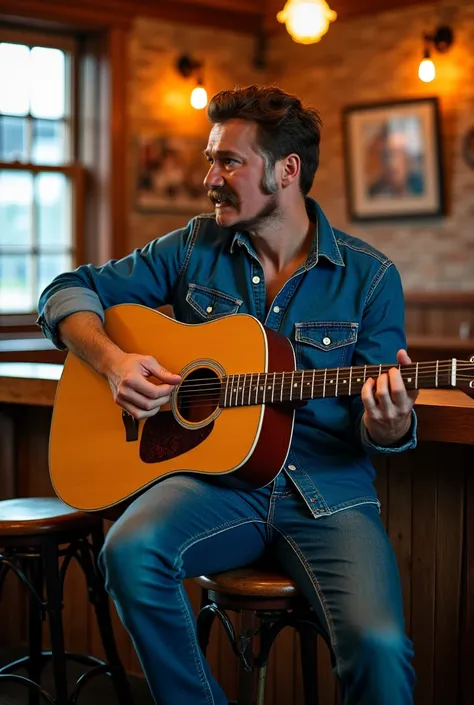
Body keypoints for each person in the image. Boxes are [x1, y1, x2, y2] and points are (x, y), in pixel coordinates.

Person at [37, 85, 418, 705]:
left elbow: (377, 421)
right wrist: (112, 362)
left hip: (326, 495)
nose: (208, 176)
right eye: (210, 158)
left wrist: (389, 424)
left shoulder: (370, 277)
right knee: (129, 553)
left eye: (228, 162)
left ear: (286, 171)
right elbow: (66, 291)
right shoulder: (193, 246)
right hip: (213, 483)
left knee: (379, 648)